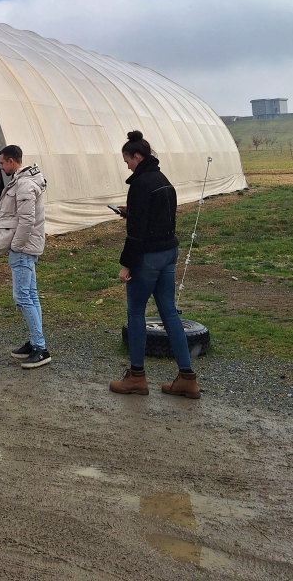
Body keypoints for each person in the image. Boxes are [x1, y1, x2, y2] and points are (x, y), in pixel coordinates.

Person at [109, 131, 201, 399]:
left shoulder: (139, 185)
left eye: (127, 160)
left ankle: (136, 377)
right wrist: (132, 212)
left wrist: (126, 265)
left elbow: (136, 232)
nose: (127, 166)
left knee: (136, 313)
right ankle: (187, 378)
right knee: (169, 313)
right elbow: (161, 217)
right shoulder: (163, 180)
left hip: (148, 257)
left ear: (137, 157)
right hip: (169, 251)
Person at [0, 145, 50, 369]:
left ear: (12, 161)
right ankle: (35, 342)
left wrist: (16, 246)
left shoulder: (24, 184)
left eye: (2, 162)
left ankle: (40, 348)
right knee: (31, 295)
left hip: (23, 250)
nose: (1, 167)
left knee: (23, 297)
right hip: (26, 248)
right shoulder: (24, 181)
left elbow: (27, 220)